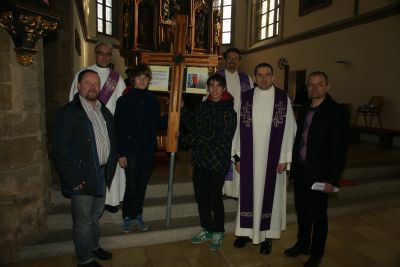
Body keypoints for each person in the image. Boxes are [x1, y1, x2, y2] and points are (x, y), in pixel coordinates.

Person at [53, 70, 117, 267]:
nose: (93, 87)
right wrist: (73, 180)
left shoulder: (103, 111)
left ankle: (93, 246)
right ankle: (85, 259)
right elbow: (60, 152)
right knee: (82, 221)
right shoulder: (68, 113)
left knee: (95, 215)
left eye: (96, 83)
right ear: (78, 86)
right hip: (82, 176)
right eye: (88, 83)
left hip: (101, 173)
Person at [285, 71, 349, 267]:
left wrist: (332, 179)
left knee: (318, 216)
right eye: (311, 84)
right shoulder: (305, 108)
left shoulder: (337, 112)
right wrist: (293, 168)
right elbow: (300, 140)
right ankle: (303, 244)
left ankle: (316, 253)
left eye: (319, 84)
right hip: (303, 170)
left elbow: (340, 149)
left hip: (321, 174)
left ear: (327, 87)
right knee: (302, 211)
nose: (315, 88)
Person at [233, 63, 297, 254]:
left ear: (273, 77)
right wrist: (237, 156)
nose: (263, 78)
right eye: (259, 75)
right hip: (249, 158)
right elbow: (236, 128)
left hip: (273, 159)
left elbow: (289, 130)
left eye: (267, 75)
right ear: (254, 78)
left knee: (272, 198)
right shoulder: (246, 98)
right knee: (248, 195)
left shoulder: (282, 99)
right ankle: (245, 232)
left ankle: (268, 236)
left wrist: (285, 157)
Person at [180, 73, 236, 251]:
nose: (215, 89)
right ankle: (207, 228)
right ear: (207, 88)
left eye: (218, 85)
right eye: (211, 85)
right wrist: (183, 110)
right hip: (201, 160)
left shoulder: (229, 111)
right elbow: (196, 126)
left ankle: (218, 231)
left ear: (224, 88)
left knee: (214, 198)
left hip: (217, 162)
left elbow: (215, 138)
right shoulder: (203, 107)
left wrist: (187, 139)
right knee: (201, 197)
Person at [69, 41, 126, 213]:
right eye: (101, 53)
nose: (104, 57)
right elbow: (73, 101)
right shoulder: (83, 74)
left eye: (108, 54)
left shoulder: (116, 78)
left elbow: (122, 106)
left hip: (109, 129)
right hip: (87, 129)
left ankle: (111, 200)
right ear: (95, 53)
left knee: (110, 165)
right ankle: (91, 200)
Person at [114, 64, 167, 233]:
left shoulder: (152, 100)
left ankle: (138, 214)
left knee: (142, 185)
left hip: (148, 150)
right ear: (133, 79)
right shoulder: (124, 100)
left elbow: (158, 124)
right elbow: (119, 128)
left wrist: (173, 114)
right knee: (132, 185)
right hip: (131, 151)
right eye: (139, 77)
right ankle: (127, 216)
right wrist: (121, 153)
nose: (142, 80)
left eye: (146, 77)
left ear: (149, 80)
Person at [216, 48, 254, 198]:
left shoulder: (247, 79)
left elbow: (252, 101)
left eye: (235, 58)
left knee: (238, 154)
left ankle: (235, 191)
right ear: (224, 60)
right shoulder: (216, 76)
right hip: (221, 124)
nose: (232, 61)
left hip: (241, 124)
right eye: (229, 58)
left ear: (239, 61)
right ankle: (221, 189)